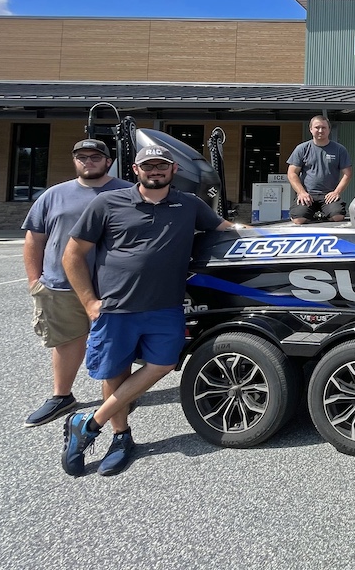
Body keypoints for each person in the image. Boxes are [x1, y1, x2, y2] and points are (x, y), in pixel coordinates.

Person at [60, 145, 236, 476]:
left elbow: (225, 228)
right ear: (136, 170)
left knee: (163, 364)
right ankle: (120, 436)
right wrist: (89, 302)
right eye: (148, 166)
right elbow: (72, 254)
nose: (155, 171)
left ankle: (89, 422)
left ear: (173, 169)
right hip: (116, 308)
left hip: (165, 307)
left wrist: (273, 234)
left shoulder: (189, 204)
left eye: (161, 165)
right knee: (116, 373)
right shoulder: (107, 203)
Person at [21, 139, 131, 427]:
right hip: (60, 286)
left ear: (108, 161)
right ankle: (61, 396)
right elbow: (34, 239)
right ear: (74, 161)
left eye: (95, 157)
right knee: (67, 342)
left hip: (112, 287)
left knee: (114, 344)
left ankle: (121, 397)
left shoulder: (127, 192)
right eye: (82, 157)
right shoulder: (53, 196)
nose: (88, 161)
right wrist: (34, 281)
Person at [287, 115, 353, 223]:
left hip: (328, 196)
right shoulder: (302, 149)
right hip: (308, 195)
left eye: (324, 127)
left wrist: (336, 192)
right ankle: (310, 214)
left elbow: (348, 174)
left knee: (338, 217)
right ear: (311, 129)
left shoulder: (339, 149)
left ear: (329, 130)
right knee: (298, 219)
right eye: (317, 127)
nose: (320, 130)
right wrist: (301, 192)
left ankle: (324, 214)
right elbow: (292, 173)